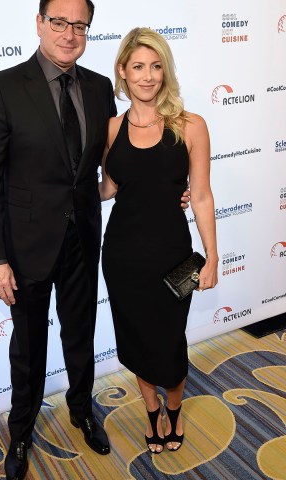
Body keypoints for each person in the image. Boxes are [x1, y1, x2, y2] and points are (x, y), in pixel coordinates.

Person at [0, 1, 190, 477]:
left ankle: (82, 411)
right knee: (28, 346)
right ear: (39, 24)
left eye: (79, 25)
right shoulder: (4, 87)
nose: (69, 33)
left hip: (85, 241)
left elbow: (115, 167)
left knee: (81, 336)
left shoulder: (97, 89)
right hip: (25, 247)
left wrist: (171, 187)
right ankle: (22, 433)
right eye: (59, 22)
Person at [100, 27, 218, 455]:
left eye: (155, 67)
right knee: (135, 340)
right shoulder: (111, 129)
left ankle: (175, 406)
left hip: (175, 258)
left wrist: (213, 257)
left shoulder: (191, 125)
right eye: (138, 67)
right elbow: (108, 189)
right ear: (123, 72)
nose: (148, 76)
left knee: (170, 342)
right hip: (122, 258)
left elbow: (201, 195)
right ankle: (152, 413)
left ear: (165, 72)